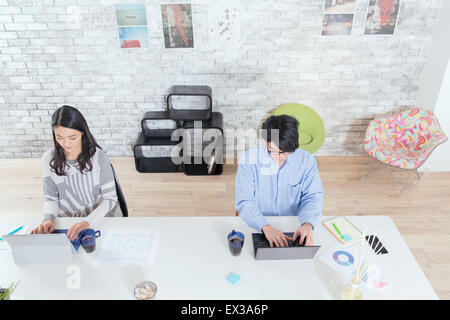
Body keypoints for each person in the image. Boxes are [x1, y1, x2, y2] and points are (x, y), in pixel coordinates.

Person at [31, 105, 122, 240]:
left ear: (82, 132)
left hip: (101, 219)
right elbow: (51, 198)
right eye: (59, 137)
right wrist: (48, 219)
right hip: (69, 224)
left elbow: (110, 199)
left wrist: (88, 222)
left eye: (72, 137)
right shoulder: (48, 159)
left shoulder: (99, 157)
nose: (66, 143)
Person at [235, 115, 323, 247]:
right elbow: (244, 201)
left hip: (294, 226)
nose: (279, 157)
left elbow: (312, 197)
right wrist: (265, 227)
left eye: (285, 152)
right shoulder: (248, 160)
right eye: (273, 151)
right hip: (258, 225)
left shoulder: (307, 161)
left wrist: (308, 224)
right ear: (266, 142)